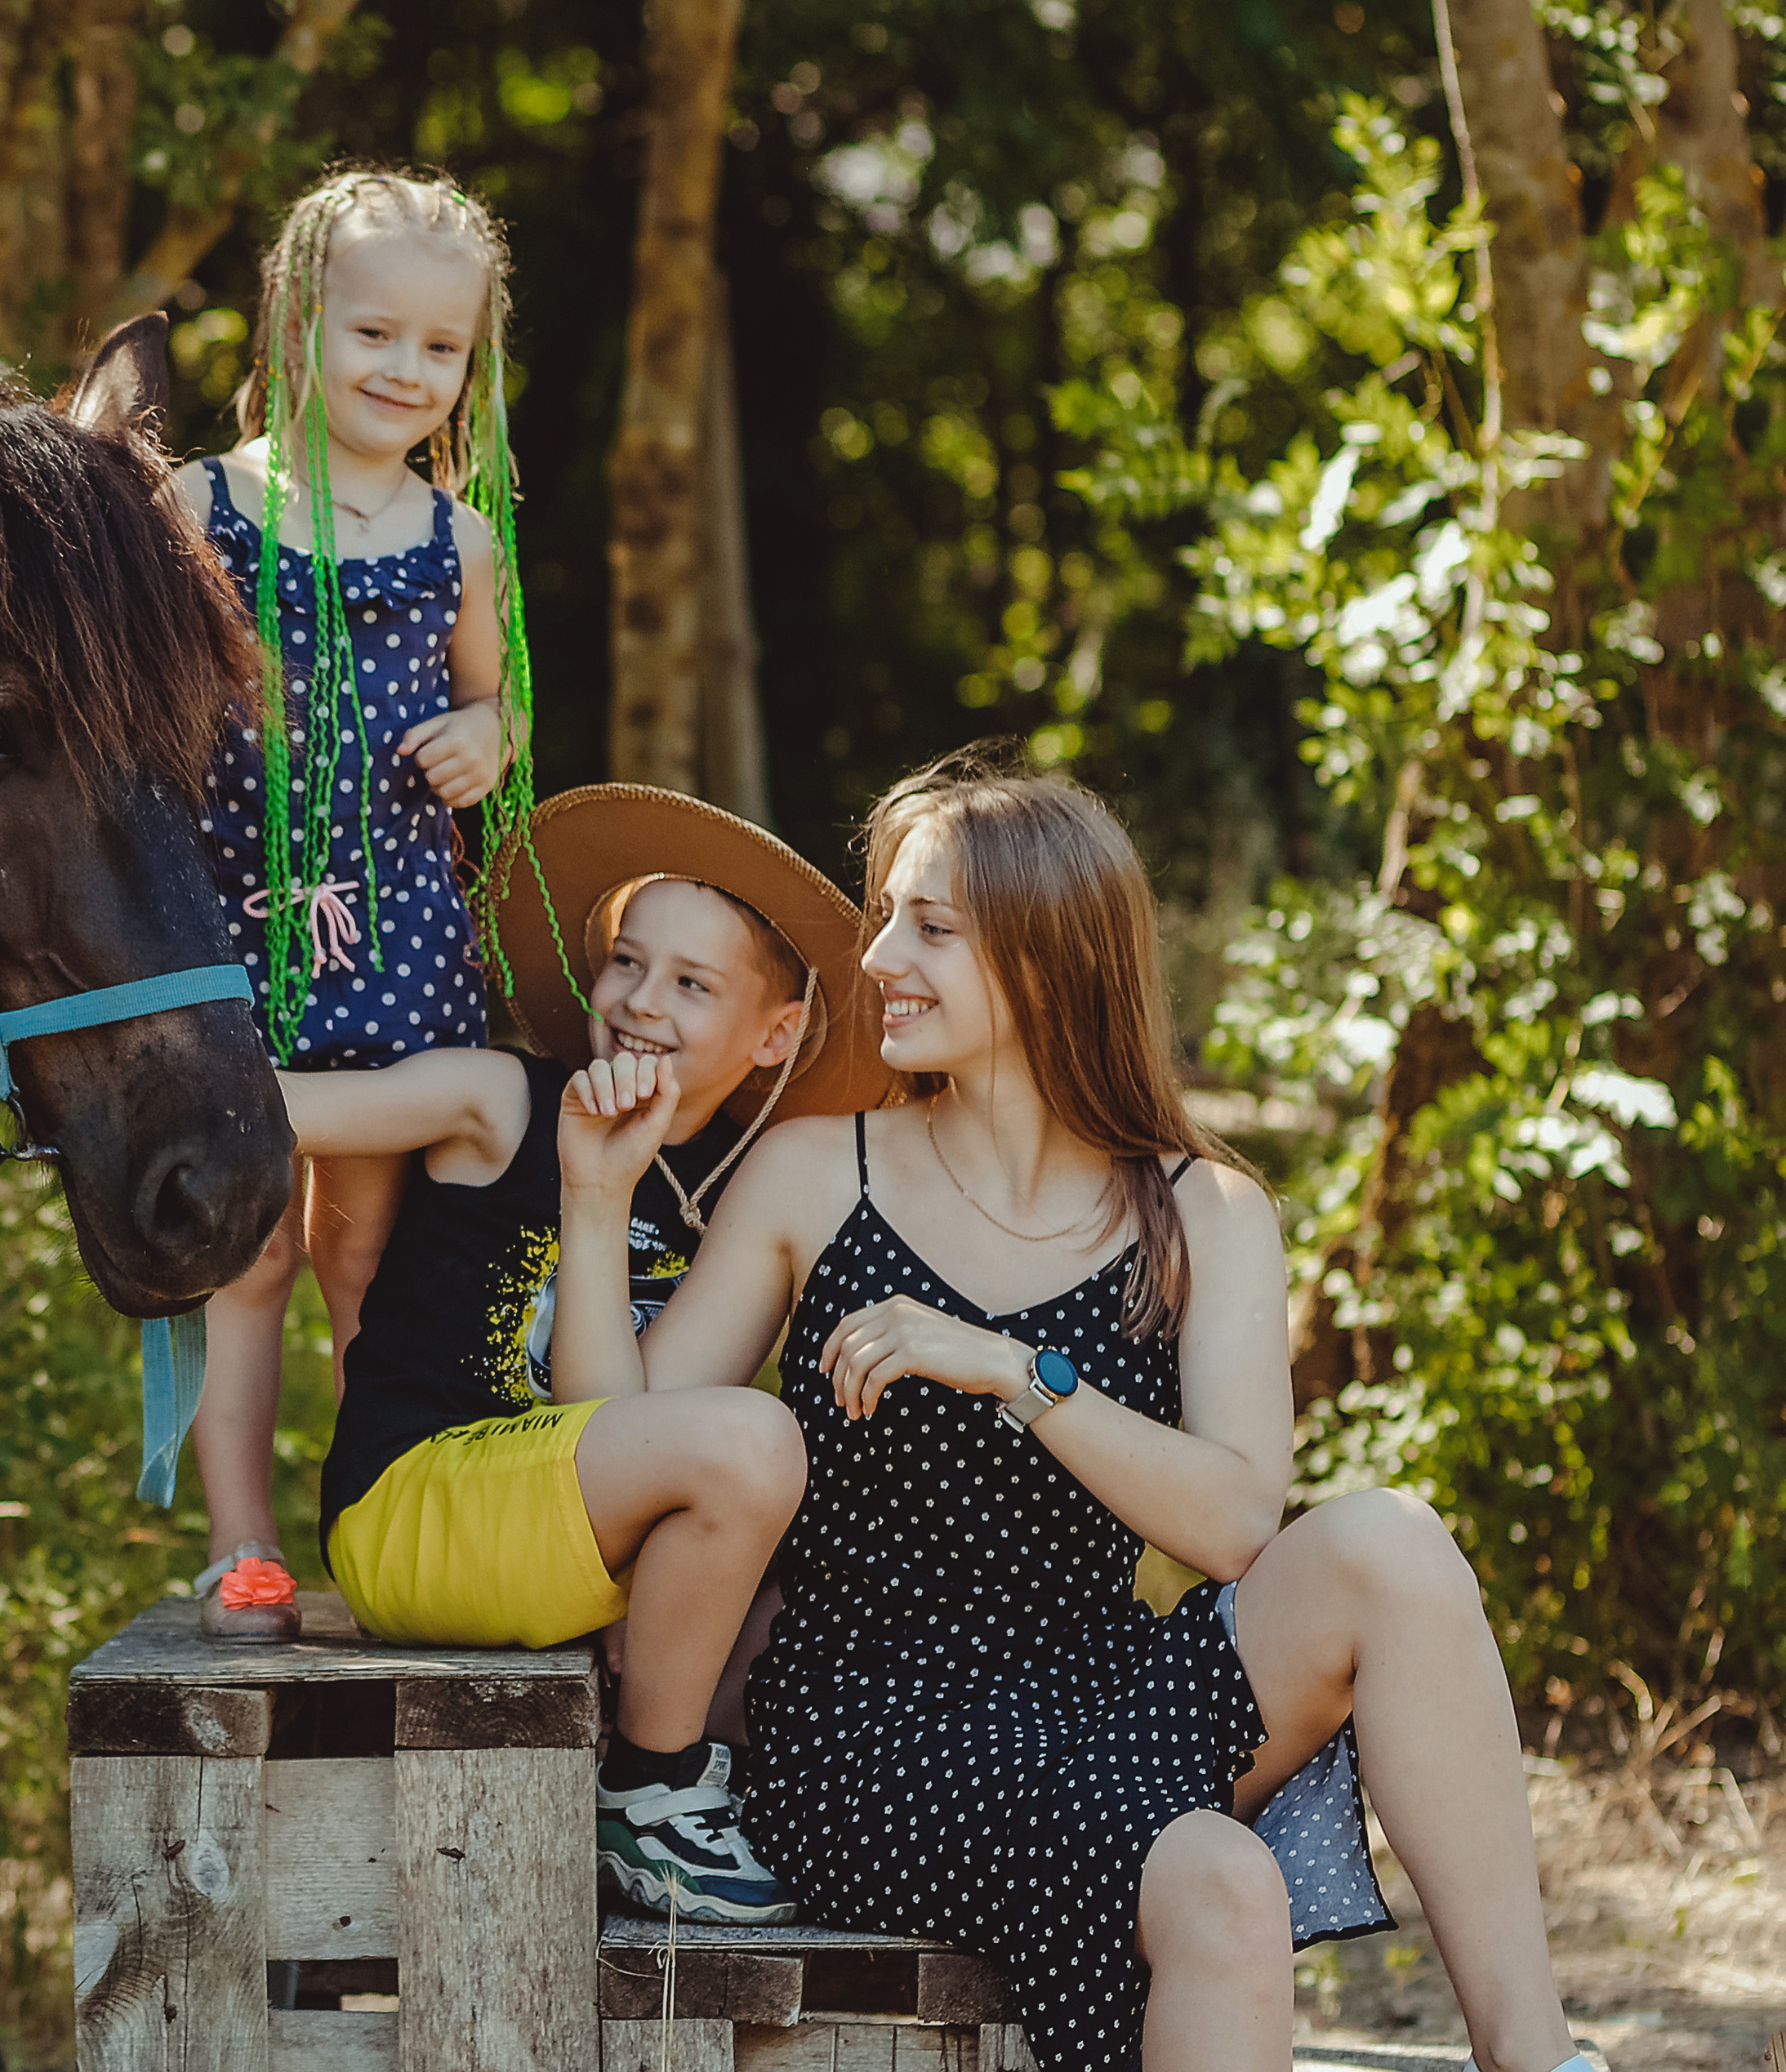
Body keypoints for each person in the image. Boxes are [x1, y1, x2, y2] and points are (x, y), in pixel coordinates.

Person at [548, 751, 1594, 2072]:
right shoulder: (816, 1177)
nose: (878, 959)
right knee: (1219, 1880)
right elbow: (617, 1453)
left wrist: (1013, 1370)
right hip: (878, 1731)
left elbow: (1231, 1525)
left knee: (1388, 1542)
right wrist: (596, 1199)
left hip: (1111, 1695)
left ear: (1049, 959)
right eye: (886, 918)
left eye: (929, 927)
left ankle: (1542, 2061)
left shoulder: (1203, 1212)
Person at [277, 783, 891, 1924]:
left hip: (569, 1529)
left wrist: (605, 1197)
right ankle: (649, 1797)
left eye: (693, 985)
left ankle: (784, 1822)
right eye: (626, 962)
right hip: (415, 1508)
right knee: (756, 1441)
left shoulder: (741, 1196)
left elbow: (624, 1423)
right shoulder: (499, 1100)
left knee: (840, 1600)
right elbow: (274, 1114)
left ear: (776, 1036)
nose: (638, 1002)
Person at [176, 168, 537, 1638]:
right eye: (371, 334)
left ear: (474, 362)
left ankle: (373, 1526)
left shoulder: (459, 539)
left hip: (399, 950)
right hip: (234, 928)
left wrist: (488, 738)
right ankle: (244, 1543)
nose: (404, 371)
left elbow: (489, 704)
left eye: (439, 348)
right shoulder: (201, 503)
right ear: (295, 323)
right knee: (250, 1251)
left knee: (363, 1256)